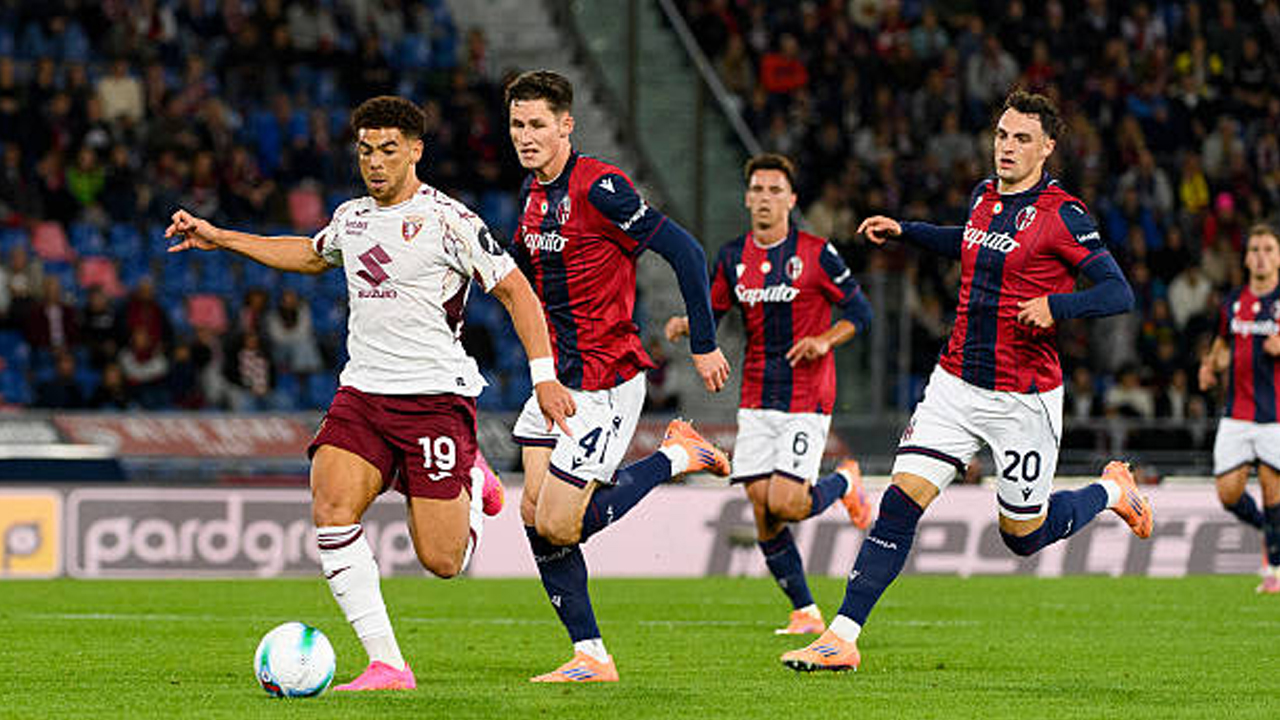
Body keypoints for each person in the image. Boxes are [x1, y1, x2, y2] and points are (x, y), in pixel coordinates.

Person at [165, 95, 575, 691]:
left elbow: (516, 292)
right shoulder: (352, 217)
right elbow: (311, 254)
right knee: (330, 507)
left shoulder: (449, 220)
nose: (375, 163)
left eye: (388, 150)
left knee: (443, 562)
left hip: (435, 398)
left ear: (415, 151)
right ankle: (387, 664)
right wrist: (221, 237)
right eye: (364, 151)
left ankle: (472, 475)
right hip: (363, 393)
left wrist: (543, 376)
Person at [781, 90, 1151, 672]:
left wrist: (1058, 305)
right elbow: (968, 240)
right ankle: (841, 638)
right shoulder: (985, 195)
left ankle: (1111, 491)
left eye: (1022, 138)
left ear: (1048, 147)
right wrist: (905, 229)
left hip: (1022, 398)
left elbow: (1117, 291)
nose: (1007, 147)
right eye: (1002, 135)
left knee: (1023, 537)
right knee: (901, 503)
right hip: (954, 385)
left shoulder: (1064, 215)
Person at [504, 70, 732, 683]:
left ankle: (676, 457)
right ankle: (591, 655)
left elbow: (684, 251)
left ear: (566, 126)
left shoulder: (600, 187)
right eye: (517, 124)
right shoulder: (530, 195)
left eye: (537, 125)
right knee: (532, 512)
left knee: (559, 523)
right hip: (555, 377)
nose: (525, 136)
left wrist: (704, 344)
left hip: (603, 378)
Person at [665, 153, 874, 635]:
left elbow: (860, 313)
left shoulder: (818, 254)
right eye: (757, 190)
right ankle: (805, 611)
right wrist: (686, 324)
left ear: (791, 199)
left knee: (787, 503)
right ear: (746, 198)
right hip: (758, 393)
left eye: (775, 191)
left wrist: (825, 339)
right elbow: (712, 309)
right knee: (762, 510)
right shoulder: (733, 257)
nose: (765, 199)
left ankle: (845, 481)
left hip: (807, 392)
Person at [1198, 223, 1280, 594]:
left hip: (1275, 416)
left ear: (1278, 257)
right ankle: (1270, 528)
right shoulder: (1232, 302)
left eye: (1268, 249)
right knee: (1228, 493)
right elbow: (1221, 342)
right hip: (1237, 414)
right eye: (1255, 249)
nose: (1261, 256)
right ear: (1246, 258)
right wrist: (1208, 365)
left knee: (1270, 483)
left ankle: (1275, 573)